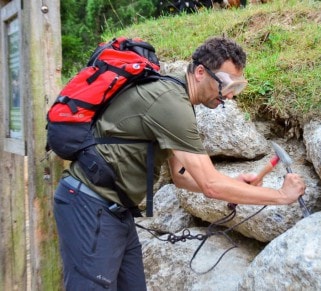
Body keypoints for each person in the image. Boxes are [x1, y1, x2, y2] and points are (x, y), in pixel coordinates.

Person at [53, 36, 306, 290]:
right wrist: (280, 196)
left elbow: (182, 177)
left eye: (237, 87)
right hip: (89, 207)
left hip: (115, 212)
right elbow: (210, 185)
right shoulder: (171, 103)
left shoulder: (177, 96)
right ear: (199, 72)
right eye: (227, 84)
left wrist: (234, 183)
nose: (229, 95)